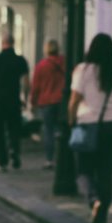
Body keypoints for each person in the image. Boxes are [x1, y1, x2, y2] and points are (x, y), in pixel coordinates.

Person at [68, 33, 112, 223]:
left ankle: (94, 199)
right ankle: (102, 215)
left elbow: (74, 100)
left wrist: (72, 121)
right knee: (106, 171)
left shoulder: (83, 70)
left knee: (83, 170)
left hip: (88, 124)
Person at [0, 33, 30, 172]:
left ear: (2, 43)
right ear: (13, 43)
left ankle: (2, 162)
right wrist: (25, 98)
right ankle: (14, 151)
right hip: (13, 100)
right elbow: (26, 82)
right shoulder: (20, 60)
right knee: (14, 129)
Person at [30, 39, 66, 169]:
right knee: (62, 130)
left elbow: (35, 86)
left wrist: (33, 102)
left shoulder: (41, 66)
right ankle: (63, 158)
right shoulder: (65, 62)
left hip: (46, 102)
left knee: (48, 131)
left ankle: (49, 159)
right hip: (62, 101)